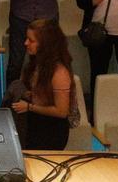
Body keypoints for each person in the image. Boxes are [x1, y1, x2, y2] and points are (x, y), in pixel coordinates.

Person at [9, 19, 78, 150]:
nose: (26, 43)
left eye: (31, 40)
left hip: (50, 131)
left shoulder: (59, 72)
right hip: (35, 123)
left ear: (45, 44)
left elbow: (62, 111)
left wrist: (29, 107)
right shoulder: (36, 64)